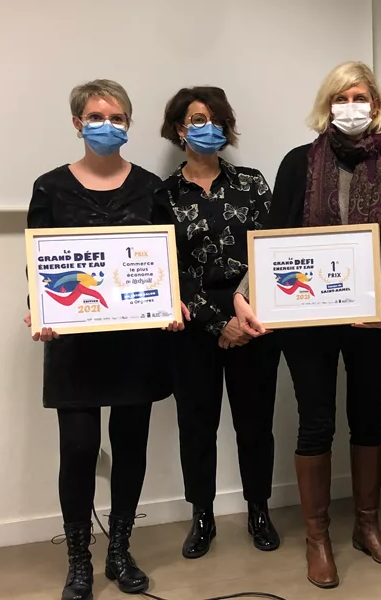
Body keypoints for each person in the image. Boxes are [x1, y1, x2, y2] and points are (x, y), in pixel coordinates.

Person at [231, 61, 381, 589]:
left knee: (368, 418)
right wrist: (245, 295)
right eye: (341, 97)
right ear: (327, 104)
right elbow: (274, 241)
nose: (351, 106)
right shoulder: (298, 163)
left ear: (375, 104)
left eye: (360, 97)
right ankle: (317, 538)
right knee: (315, 422)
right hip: (308, 322)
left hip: (372, 322)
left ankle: (367, 527)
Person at [24, 79, 183, 600]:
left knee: (131, 448)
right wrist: (39, 309)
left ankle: (119, 550)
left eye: (117, 118)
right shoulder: (50, 187)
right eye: (96, 117)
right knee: (78, 451)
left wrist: (173, 303)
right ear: (77, 123)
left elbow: (166, 261)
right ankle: (79, 561)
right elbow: (38, 266)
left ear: (129, 124)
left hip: (137, 343)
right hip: (75, 345)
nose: (107, 126)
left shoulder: (150, 188)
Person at [152, 86, 282, 559]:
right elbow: (164, 267)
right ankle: (202, 515)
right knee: (197, 425)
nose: (208, 128)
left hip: (253, 322)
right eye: (196, 119)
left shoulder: (252, 183)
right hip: (193, 329)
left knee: (255, 425)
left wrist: (241, 313)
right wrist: (216, 321)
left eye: (217, 120)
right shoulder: (162, 194)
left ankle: (258, 509)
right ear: (179, 129)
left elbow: (272, 251)